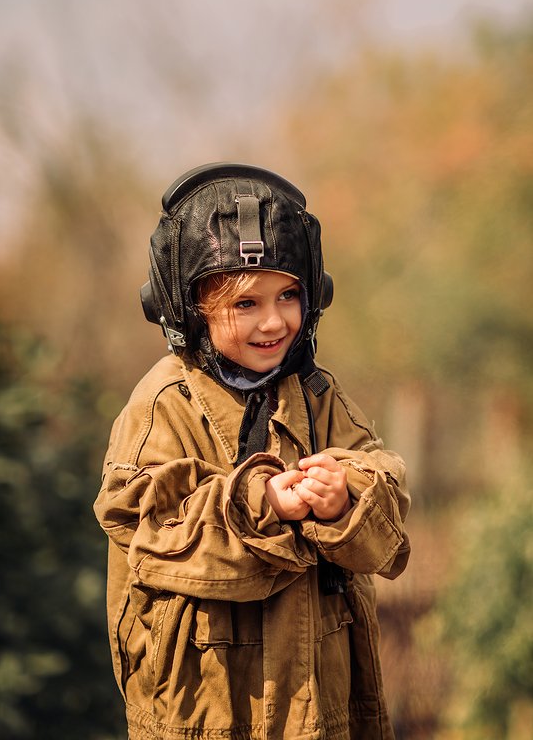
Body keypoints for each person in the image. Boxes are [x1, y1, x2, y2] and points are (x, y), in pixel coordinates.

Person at [94, 163, 410, 740]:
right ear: (189, 308)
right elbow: (145, 525)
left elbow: (382, 483)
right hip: (205, 710)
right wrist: (260, 506)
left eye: (289, 295)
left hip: (324, 707)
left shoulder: (316, 394)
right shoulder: (164, 403)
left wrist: (346, 497)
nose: (273, 321)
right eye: (245, 304)